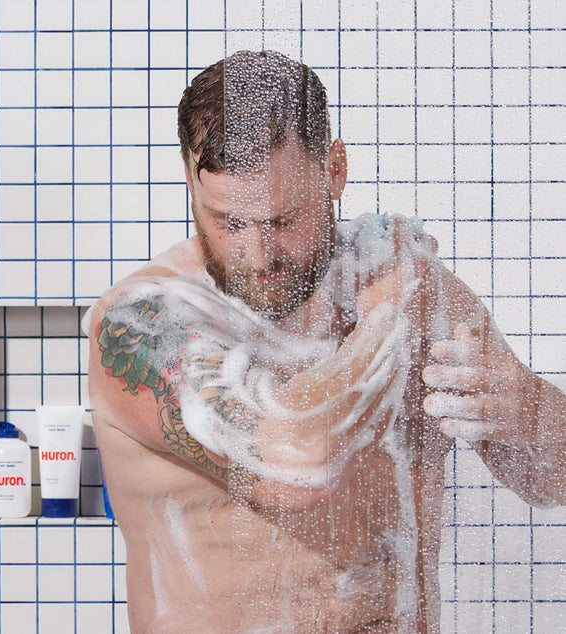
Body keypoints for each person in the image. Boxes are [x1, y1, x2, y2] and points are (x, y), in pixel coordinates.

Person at [84, 49, 566, 633]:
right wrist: (389, 322)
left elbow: (550, 479)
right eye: (230, 223)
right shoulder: (142, 325)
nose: (258, 256)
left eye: (283, 221)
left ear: (334, 170)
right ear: (191, 183)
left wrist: (530, 411)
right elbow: (296, 465)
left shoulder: (408, 283)